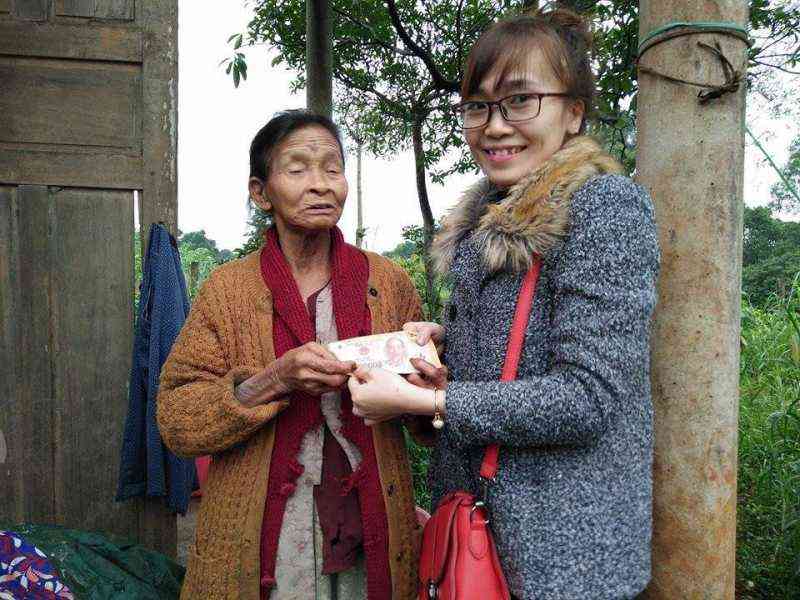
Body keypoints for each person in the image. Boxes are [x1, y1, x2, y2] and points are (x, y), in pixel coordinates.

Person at [347, 9, 660, 600]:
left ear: (573, 112)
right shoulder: (485, 222)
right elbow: (519, 356)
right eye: (478, 106)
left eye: (520, 101)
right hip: (474, 534)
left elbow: (587, 397)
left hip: (561, 556)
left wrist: (430, 400)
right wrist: (446, 354)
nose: (493, 127)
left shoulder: (603, 207)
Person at [157, 110, 424, 600]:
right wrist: (275, 379)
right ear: (261, 193)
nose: (320, 184)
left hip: (370, 522)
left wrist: (425, 387)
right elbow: (178, 421)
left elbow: (427, 423)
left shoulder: (388, 284)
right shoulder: (228, 290)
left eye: (333, 168)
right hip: (263, 534)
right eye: (298, 169)